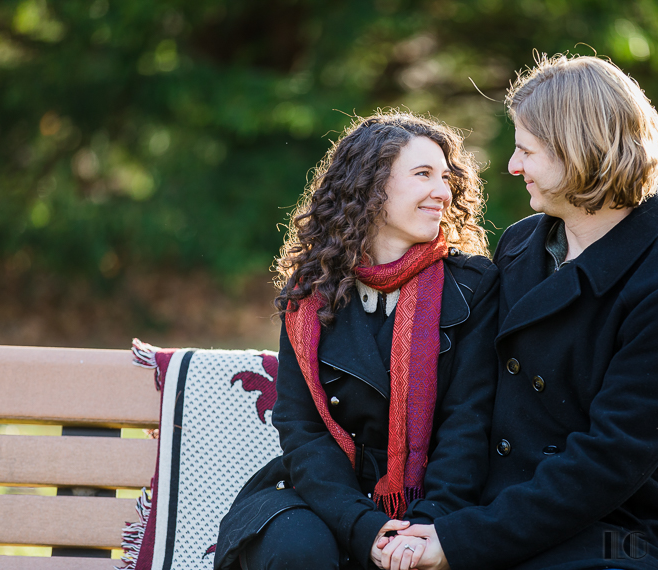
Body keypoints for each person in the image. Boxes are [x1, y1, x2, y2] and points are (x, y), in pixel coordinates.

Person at [383, 54, 658, 570]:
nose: (514, 167)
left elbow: (601, 467)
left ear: (578, 152)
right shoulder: (520, 245)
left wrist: (460, 540)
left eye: (526, 150)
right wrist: (441, 518)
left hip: (622, 540)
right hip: (498, 517)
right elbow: (472, 399)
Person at [213, 111, 499, 570]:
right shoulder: (311, 293)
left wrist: (427, 524)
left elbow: (470, 422)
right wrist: (363, 525)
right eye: (423, 174)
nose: (443, 191)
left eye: (446, 177)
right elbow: (302, 431)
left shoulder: (473, 287)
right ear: (370, 186)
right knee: (297, 551)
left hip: (436, 500)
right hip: (326, 497)